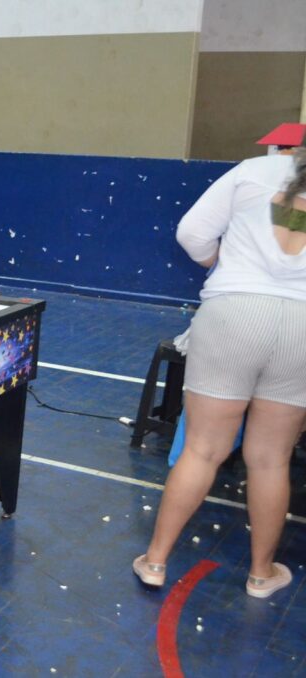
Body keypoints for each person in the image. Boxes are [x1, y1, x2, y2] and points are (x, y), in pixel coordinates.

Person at [134, 124, 306, 599]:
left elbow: (192, 233)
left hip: (233, 313)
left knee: (202, 450)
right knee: (271, 460)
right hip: (302, 326)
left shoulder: (252, 171)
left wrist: (218, 261)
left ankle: (155, 561)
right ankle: (261, 573)